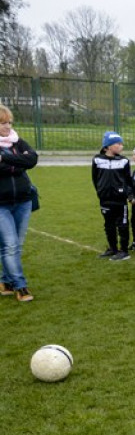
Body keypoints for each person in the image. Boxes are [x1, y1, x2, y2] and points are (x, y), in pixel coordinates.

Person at [0, 103, 38, 302]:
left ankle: (5, 281)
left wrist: (5, 159)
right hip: (1, 204)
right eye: (3, 123)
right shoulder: (16, 149)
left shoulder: (17, 141)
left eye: (9, 123)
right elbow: (20, 165)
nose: (8, 127)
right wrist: (18, 162)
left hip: (23, 201)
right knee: (11, 246)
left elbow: (32, 159)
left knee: (15, 245)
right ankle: (20, 285)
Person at [92, 131, 133, 261]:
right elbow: (95, 178)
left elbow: (128, 180)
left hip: (120, 200)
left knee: (122, 224)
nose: (121, 146)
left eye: (122, 144)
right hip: (105, 198)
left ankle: (124, 250)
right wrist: (100, 191)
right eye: (118, 144)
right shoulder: (97, 160)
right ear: (108, 146)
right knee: (108, 224)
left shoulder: (124, 161)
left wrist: (129, 194)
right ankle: (112, 248)